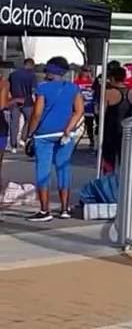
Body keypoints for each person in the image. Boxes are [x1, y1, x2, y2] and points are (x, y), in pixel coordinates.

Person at [23, 57, 84, 222]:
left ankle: (45, 210)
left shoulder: (43, 88)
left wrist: (29, 133)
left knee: (43, 171)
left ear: (50, 72)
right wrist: (69, 128)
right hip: (65, 134)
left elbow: (37, 114)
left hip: (44, 134)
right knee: (63, 169)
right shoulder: (73, 88)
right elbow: (79, 111)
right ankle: (65, 209)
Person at [99, 65, 131, 173]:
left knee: (109, 159)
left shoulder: (108, 93)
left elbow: (101, 112)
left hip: (110, 130)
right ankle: (123, 180)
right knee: (125, 159)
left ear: (112, 78)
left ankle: (108, 180)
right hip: (127, 130)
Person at [6, 58, 36, 152]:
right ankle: (23, 139)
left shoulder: (13, 75)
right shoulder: (32, 76)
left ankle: (13, 145)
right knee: (29, 120)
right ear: (31, 65)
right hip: (27, 102)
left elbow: (8, 88)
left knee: (14, 123)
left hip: (14, 101)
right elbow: (33, 91)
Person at [74, 67, 96, 149]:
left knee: (90, 124)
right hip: (80, 105)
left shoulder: (93, 82)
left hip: (90, 106)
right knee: (76, 123)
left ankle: (92, 140)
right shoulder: (76, 82)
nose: (87, 72)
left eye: (89, 71)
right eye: (86, 70)